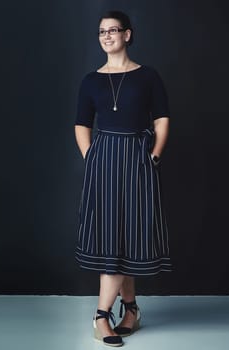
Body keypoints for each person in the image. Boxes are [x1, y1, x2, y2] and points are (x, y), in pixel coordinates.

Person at [74, 10, 172, 347]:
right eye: (101, 31)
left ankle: (128, 310)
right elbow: (81, 124)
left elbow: (161, 119)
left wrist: (154, 155)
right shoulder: (91, 80)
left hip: (138, 158)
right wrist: (93, 157)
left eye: (113, 30)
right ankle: (105, 315)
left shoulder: (148, 76)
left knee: (128, 236)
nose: (106, 36)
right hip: (104, 160)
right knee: (110, 238)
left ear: (127, 35)